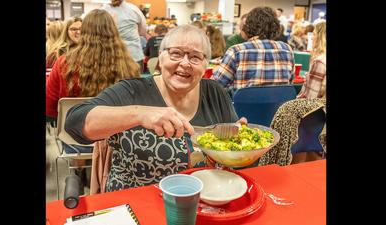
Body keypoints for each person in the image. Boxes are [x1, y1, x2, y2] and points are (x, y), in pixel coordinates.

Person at [64, 25, 246, 191]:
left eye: (195, 57)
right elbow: (74, 122)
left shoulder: (215, 92)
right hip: (136, 203)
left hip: (206, 198)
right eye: (176, 53)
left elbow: (230, 151)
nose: (185, 63)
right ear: (160, 56)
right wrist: (141, 114)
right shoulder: (132, 91)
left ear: (206, 63)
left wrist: (240, 143)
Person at [212, 7, 294, 95]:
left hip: (242, 108)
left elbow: (214, 87)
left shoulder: (236, 51)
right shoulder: (287, 50)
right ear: (276, 26)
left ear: (248, 26)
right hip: (278, 108)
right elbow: (289, 83)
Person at [101, 0, 148, 69]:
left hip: (110, 56)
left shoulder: (102, 11)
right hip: (134, 56)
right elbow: (143, 32)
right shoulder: (133, 9)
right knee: (135, 80)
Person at [297, 22, 326, 99]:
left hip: (313, 109)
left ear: (321, 38)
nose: (312, 37)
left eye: (314, 34)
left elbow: (310, 99)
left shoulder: (320, 62)